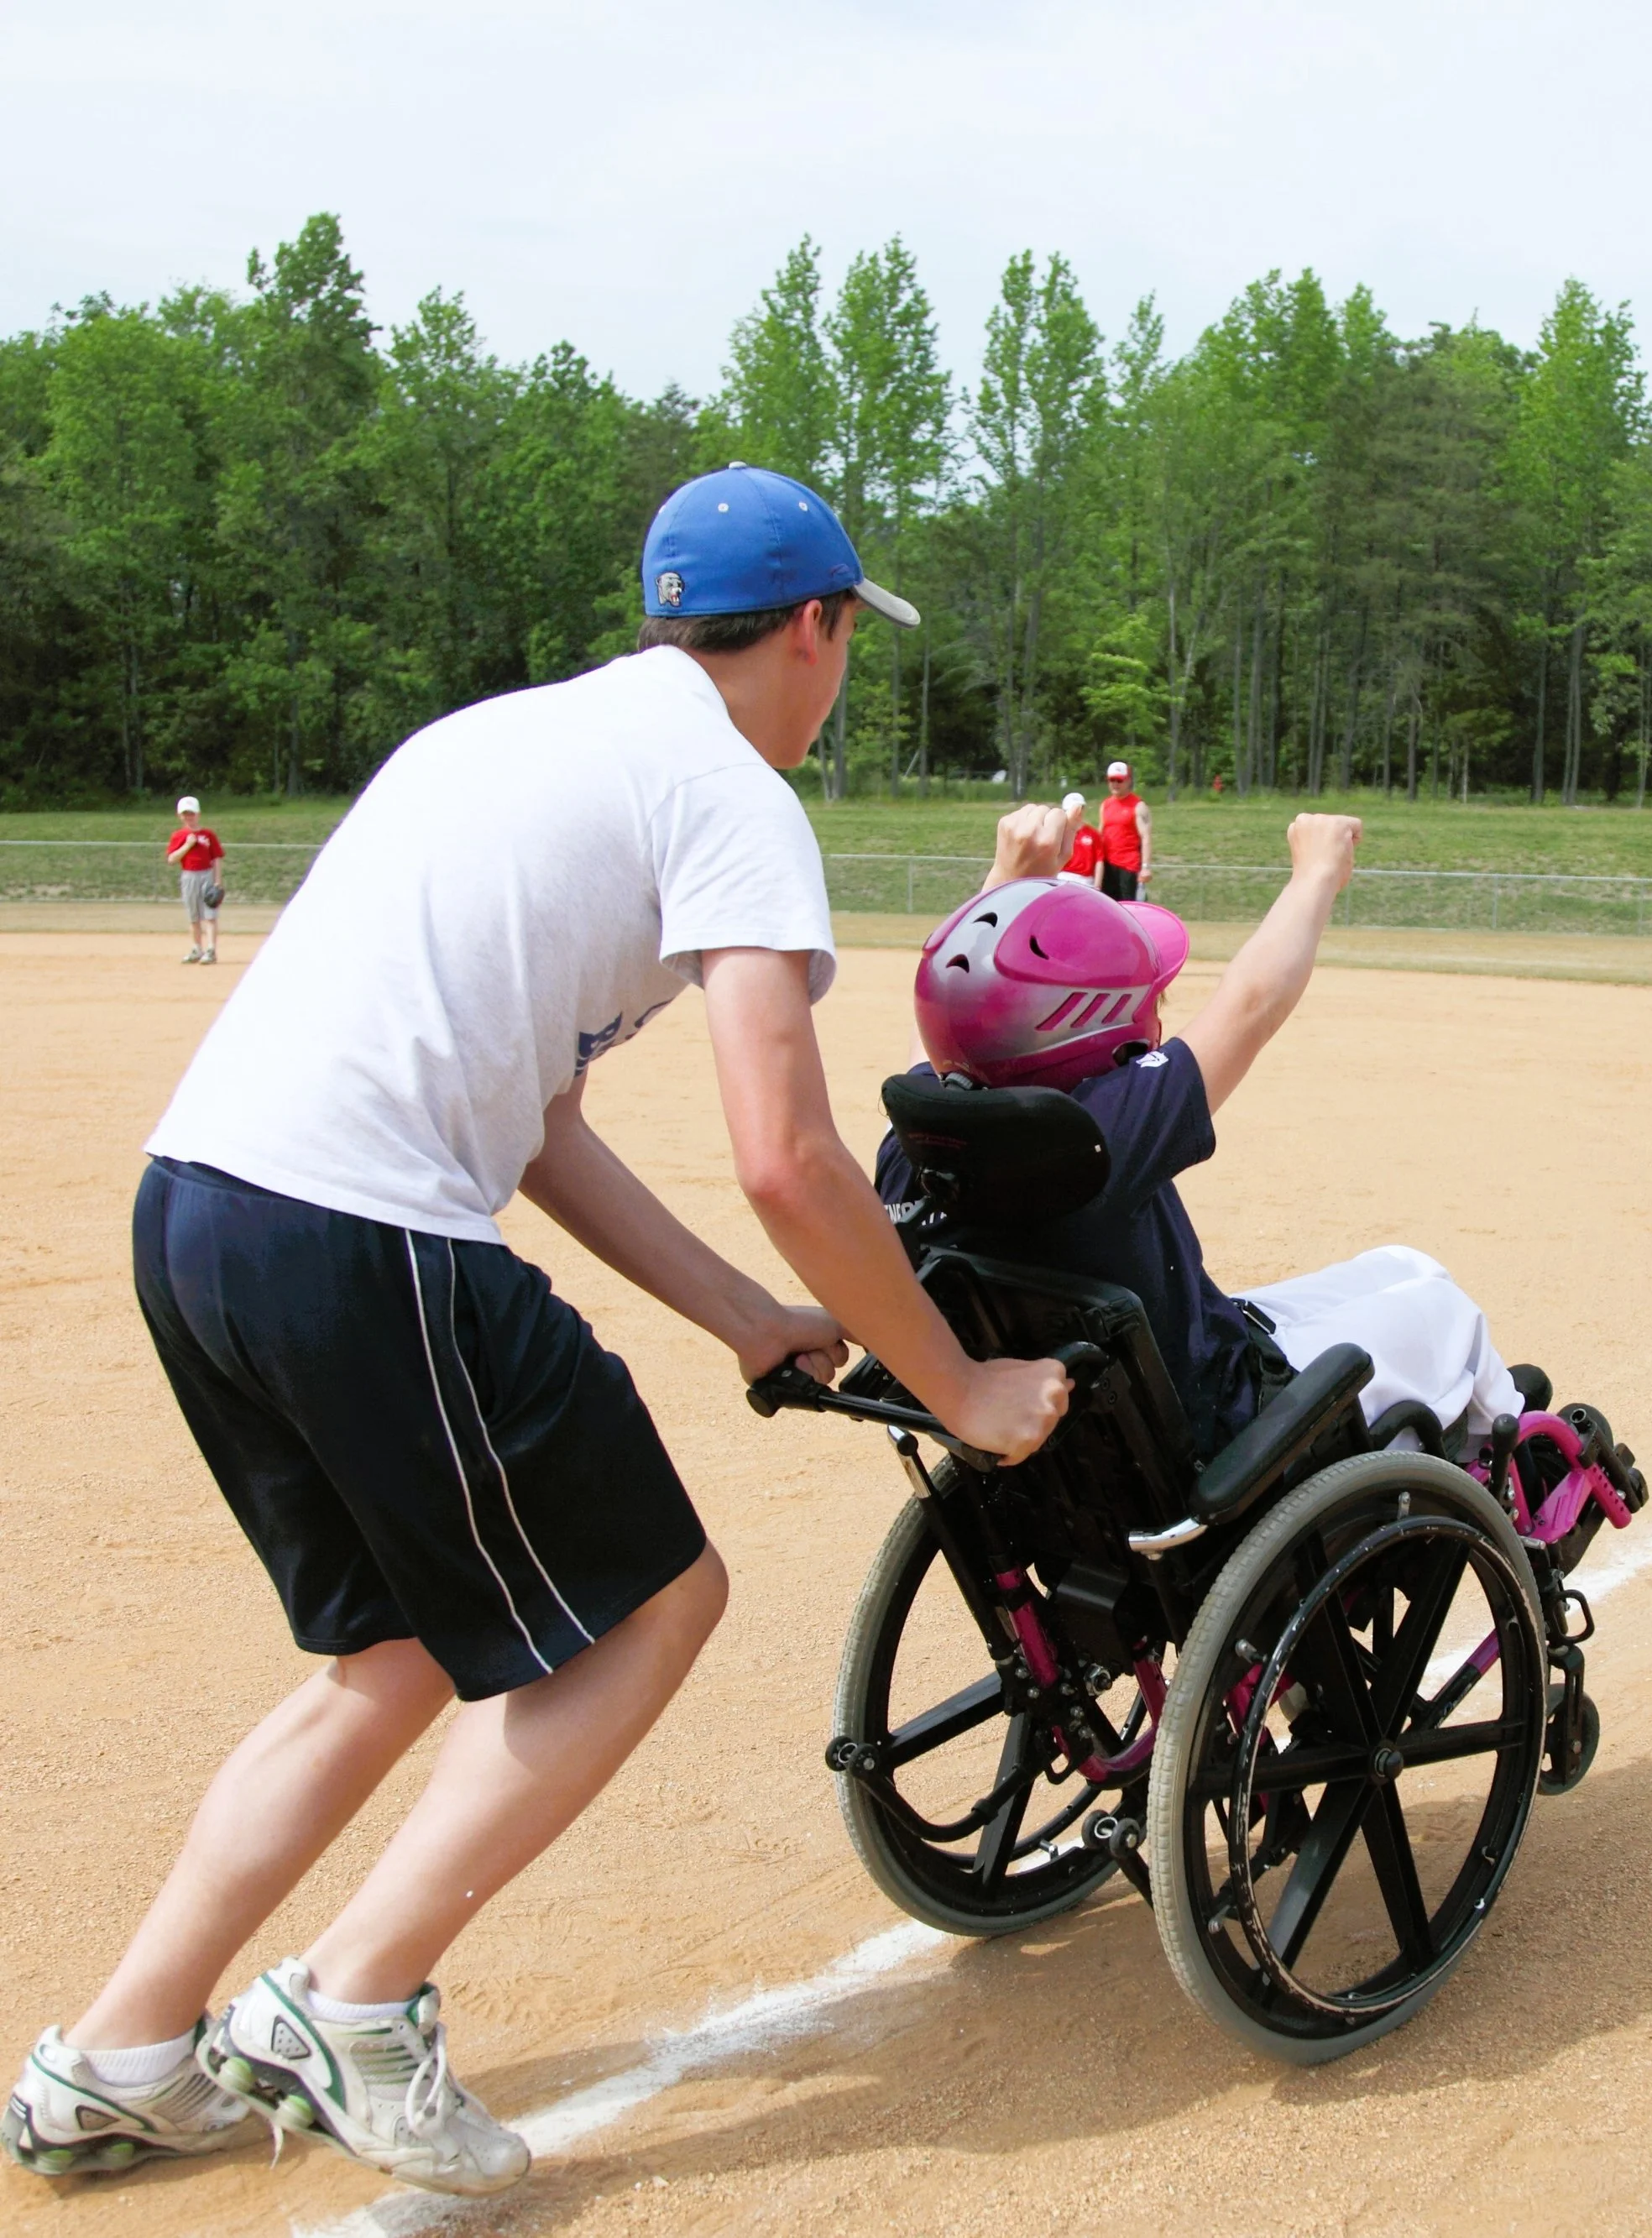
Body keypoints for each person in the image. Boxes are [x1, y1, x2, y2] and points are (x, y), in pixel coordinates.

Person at [4, 465, 1069, 2199]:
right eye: (845, 644)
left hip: (198, 1208)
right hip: (359, 1224)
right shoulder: (731, 794)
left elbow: (540, 1120)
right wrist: (956, 1383)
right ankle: (352, 2002)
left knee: (396, 1655)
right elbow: (786, 1153)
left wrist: (739, 1316)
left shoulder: (496, 738)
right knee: (658, 1598)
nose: (840, 675)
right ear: (813, 629)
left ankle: (115, 2056)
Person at [881, 807, 1518, 1466]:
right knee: (1447, 1311)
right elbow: (1250, 1003)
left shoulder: (914, 1152)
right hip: (1221, 1423)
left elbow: (938, 1039)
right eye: (1148, 997)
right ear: (1100, 1025)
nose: (1158, 1010)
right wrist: (1318, 872)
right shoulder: (1096, 1136)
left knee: (1407, 1267)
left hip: (1092, 1438)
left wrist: (1004, 879)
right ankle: (1522, 1479)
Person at [166, 797, 225, 965]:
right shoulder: (179, 836)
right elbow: (171, 859)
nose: (189, 817)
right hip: (189, 876)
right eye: (185, 814)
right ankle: (197, 948)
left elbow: (217, 858)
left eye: (191, 813)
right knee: (194, 916)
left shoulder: (208, 835)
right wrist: (187, 845)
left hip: (207, 875)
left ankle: (211, 950)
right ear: (180, 816)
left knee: (210, 915)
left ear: (198, 814)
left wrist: (218, 881)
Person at [1098, 760, 1151, 902]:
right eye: (1112, 780)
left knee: (1127, 909)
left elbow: (1146, 837)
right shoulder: (1105, 804)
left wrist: (1145, 867)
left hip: (1128, 866)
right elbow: (1100, 834)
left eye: (1119, 780)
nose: (1115, 784)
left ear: (1128, 781)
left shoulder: (1138, 806)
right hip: (1108, 866)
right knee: (1107, 907)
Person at [1059, 790, 1104, 884]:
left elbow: (1099, 860)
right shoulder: (1059, 832)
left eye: (1079, 809)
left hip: (1085, 880)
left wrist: (1097, 885)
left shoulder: (1093, 833)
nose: (1076, 813)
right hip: (1063, 876)